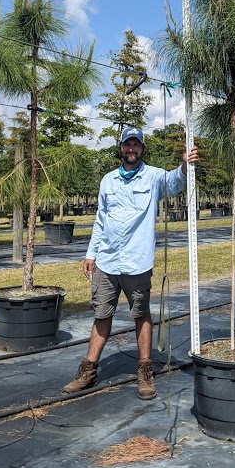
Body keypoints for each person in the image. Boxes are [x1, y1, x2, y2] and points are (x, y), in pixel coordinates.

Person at [62, 126, 198, 400]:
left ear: (142, 149)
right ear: (121, 148)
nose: (131, 149)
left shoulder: (154, 177)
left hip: (137, 262)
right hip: (107, 261)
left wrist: (185, 165)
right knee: (102, 314)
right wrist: (91, 254)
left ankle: (144, 372)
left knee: (141, 314)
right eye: (127, 144)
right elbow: (101, 221)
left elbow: (175, 182)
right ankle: (88, 372)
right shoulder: (108, 181)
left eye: (136, 144)